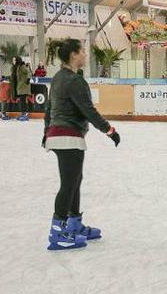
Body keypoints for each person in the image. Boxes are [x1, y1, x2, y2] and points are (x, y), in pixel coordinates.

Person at [43, 39, 121, 251]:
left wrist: (46, 134)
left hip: (59, 135)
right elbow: (88, 110)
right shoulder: (74, 81)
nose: (86, 55)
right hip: (68, 136)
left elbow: (48, 109)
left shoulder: (58, 78)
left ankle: (73, 224)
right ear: (74, 55)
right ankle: (57, 233)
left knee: (74, 180)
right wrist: (109, 130)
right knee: (69, 184)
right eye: (83, 52)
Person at [10, 56, 31, 121]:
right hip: (20, 86)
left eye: (15, 60)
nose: (14, 61)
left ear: (17, 60)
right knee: (22, 101)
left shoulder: (22, 66)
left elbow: (28, 72)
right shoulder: (17, 67)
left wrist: (28, 79)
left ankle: (25, 114)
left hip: (23, 86)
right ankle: (23, 114)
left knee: (23, 101)